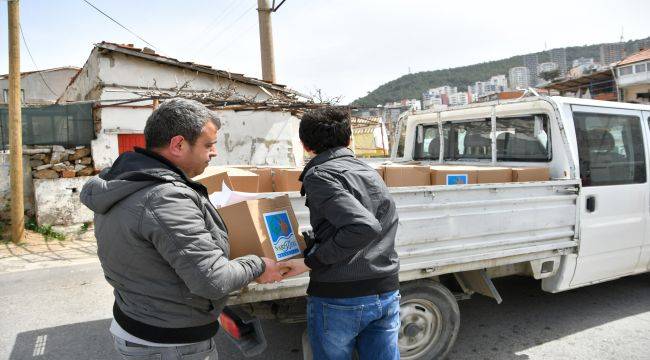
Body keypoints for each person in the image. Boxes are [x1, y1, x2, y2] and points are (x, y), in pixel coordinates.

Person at [80, 98, 285, 360]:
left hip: (139, 321)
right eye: (208, 145)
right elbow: (213, 280)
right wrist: (258, 264)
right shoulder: (164, 198)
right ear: (178, 144)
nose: (214, 153)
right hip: (170, 343)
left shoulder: (124, 180)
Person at [280, 108, 401, 360]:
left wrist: (310, 261)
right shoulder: (369, 171)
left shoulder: (319, 175)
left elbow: (364, 226)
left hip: (340, 296)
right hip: (385, 289)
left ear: (304, 145)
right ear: (348, 140)